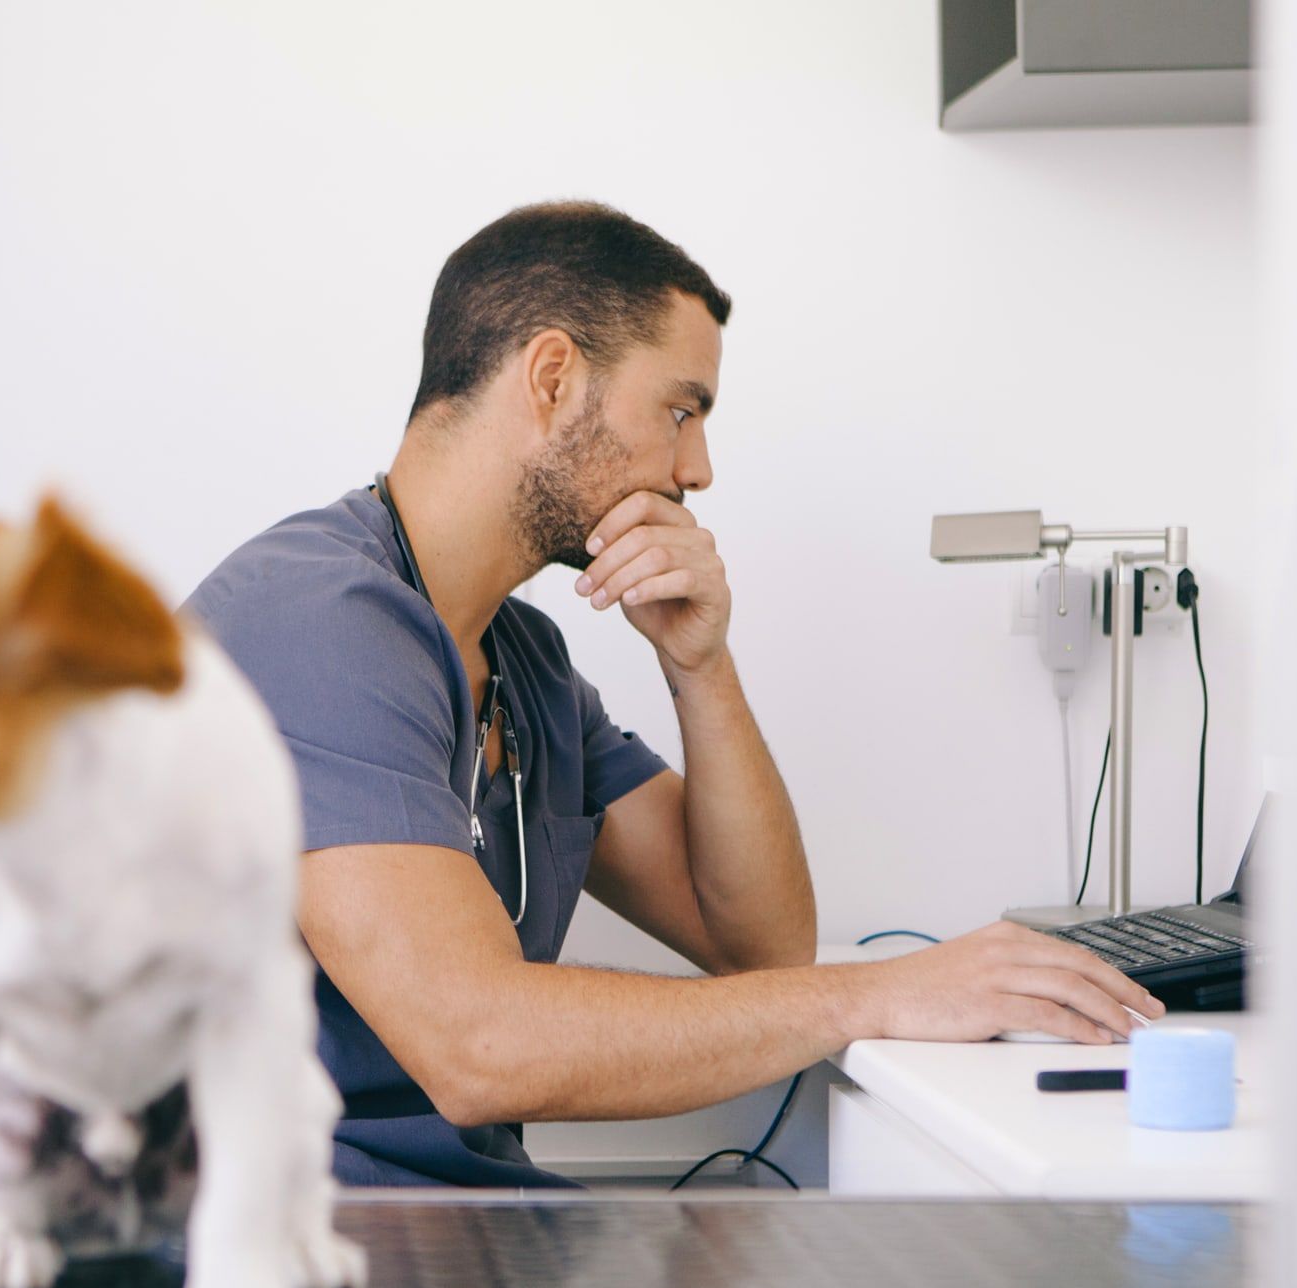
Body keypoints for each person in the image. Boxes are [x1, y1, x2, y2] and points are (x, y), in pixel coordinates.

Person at [186, 201, 1161, 1188]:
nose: (696, 468)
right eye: (681, 411)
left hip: (455, 1235)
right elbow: (477, 1048)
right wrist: (878, 995)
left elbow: (759, 947)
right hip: (282, 1268)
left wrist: (702, 664)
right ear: (554, 378)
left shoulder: (525, 664)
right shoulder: (316, 624)